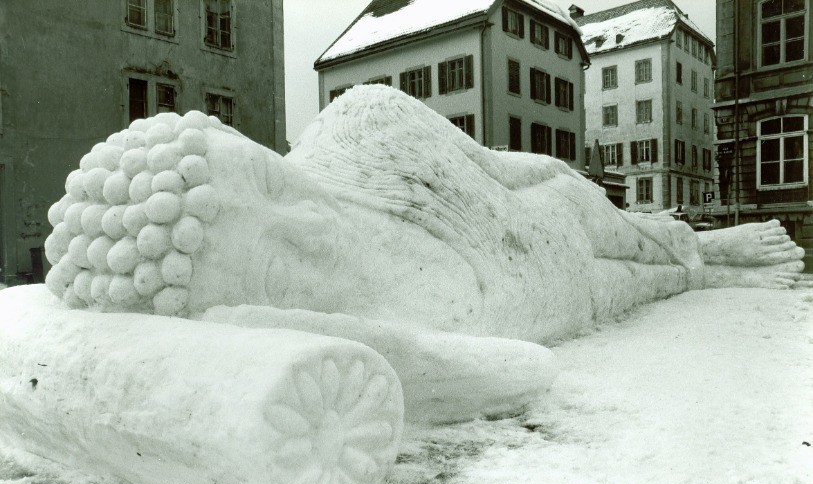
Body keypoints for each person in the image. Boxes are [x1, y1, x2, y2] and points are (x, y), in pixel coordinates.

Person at [44, 85, 806, 344]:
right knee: (665, 281)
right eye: (279, 262)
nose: (305, 224)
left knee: (641, 243)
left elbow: (511, 168)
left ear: (241, 142)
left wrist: (573, 193)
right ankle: (708, 267)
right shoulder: (365, 319)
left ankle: (703, 246)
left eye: (274, 187)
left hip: (558, 217)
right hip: (569, 291)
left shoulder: (366, 125)